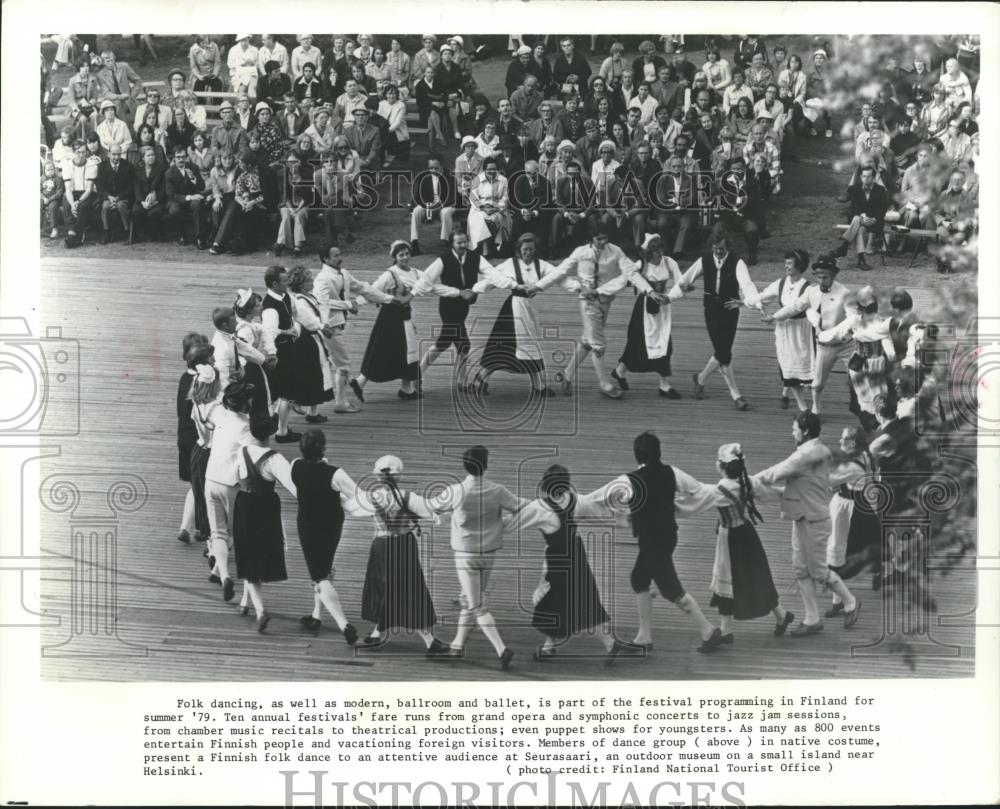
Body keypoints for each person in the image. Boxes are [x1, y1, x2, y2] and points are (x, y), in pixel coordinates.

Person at [598, 431, 726, 652]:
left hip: (650, 541)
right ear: (659, 452)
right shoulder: (672, 473)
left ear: (637, 456)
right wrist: (677, 505)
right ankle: (644, 635)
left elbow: (601, 498)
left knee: (670, 590)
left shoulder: (629, 481)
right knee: (639, 578)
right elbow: (697, 490)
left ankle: (708, 630)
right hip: (668, 536)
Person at [501, 464, 633, 662]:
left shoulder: (540, 507)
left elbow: (510, 524)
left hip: (557, 560)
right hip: (577, 555)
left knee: (551, 602)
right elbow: (600, 515)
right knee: (584, 600)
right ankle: (556, 646)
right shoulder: (576, 500)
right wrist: (625, 518)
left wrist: (487, 520)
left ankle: (597, 644)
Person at [753, 412, 862, 636]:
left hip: (814, 520)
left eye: (794, 429)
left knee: (819, 571)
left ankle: (850, 602)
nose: (792, 432)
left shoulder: (805, 455)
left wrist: (747, 481)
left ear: (805, 431)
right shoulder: (818, 449)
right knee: (801, 570)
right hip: (803, 516)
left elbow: (776, 473)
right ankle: (812, 619)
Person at [431, 446, 527, 667]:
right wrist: (503, 524)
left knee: (476, 605)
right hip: (489, 552)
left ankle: (501, 649)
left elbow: (432, 506)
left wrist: (445, 517)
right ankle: (456, 645)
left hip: (465, 554)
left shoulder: (456, 491)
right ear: (486, 465)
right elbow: (519, 507)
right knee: (470, 597)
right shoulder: (497, 490)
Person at [353, 455, 450, 656]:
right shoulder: (409, 498)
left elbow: (350, 506)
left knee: (386, 590)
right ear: (399, 476)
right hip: (404, 547)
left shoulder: (368, 499)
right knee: (410, 591)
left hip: (381, 547)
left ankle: (377, 634)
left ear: (377, 476)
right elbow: (433, 510)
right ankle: (429, 641)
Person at [698, 443, 795, 641]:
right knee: (757, 577)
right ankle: (780, 616)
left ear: (721, 466)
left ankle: (728, 629)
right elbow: (774, 493)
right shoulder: (748, 482)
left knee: (727, 579)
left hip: (729, 537)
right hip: (747, 534)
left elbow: (695, 499)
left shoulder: (719, 490)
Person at [554, 228, 656, 400]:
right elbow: (558, 272)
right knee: (598, 343)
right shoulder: (580, 252)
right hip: (587, 301)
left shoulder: (615, 251)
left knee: (588, 340)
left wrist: (649, 290)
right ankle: (604, 384)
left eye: (605, 237)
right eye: (598, 238)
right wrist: (576, 286)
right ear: (590, 239)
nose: (602, 241)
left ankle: (567, 374)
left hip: (606, 299)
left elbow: (631, 272)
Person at [470, 232, 572, 397]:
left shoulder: (542, 265)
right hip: (513, 310)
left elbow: (559, 277)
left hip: (529, 310)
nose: (528, 253)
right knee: (502, 348)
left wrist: (579, 288)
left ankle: (537, 386)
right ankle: (480, 380)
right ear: (519, 249)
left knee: (529, 346)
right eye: (525, 249)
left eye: (531, 249)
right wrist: (474, 290)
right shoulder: (510, 264)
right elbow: (492, 279)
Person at [291, 428, 360, 645]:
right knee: (324, 568)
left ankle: (343, 624)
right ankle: (316, 615)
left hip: (308, 525)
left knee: (319, 575)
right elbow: (358, 496)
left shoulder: (296, 466)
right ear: (323, 448)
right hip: (331, 525)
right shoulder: (335, 473)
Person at [682, 230, 763, 411]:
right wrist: (683, 289)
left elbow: (747, 285)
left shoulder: (737, 262)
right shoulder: (704, 260)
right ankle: (735, 395)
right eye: (715, 248)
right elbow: (684, 280)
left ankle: (702, 378)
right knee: (723, 352)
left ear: (728, 247)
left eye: (722, 249)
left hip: (730, 309)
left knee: (723, 351)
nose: (718, 252)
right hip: (710, 310)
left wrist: (754, 303)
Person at [313, 245, 398, 413]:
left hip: (336, 325)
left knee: (330, 364)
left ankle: (314, 404)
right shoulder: (322, 279)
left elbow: (364, 289)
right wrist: (347, 304)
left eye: (340, 254)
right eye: (335, 256)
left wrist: (388, 298)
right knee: (342, 365)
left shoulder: (344, 274)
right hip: (328, 327)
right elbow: (320, 302)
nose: (340, 258)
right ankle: (340, 403)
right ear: (326, 259)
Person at [232, 416, 295, 633]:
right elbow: (293, 486)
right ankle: (260, 611)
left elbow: (236, 475)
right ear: (269, 434)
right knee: (258, 555)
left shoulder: (242, 451)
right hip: (266, 506)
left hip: (244, 503)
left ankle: (245, 602)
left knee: (248, 552)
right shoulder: (274, 458)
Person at [412, 229, 494, 392]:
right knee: (456, 345)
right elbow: (426, 280)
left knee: (454, 346)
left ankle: (457, 381)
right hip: (449, 308)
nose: (462, 245)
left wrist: (477, 289)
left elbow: (492, 274)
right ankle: (419, 376)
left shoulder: (475, 257)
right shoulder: (443, 259)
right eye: (458, 242)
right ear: (452, 244)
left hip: (463, 308)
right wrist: (412, 294)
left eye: (464, 242)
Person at [612, 233, 685, 399]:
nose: (658, 254)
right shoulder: (641, 264)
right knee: (637, 343)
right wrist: (603, 291)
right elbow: (627, 277)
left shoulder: (669, 262)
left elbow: (681, 282)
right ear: (648, 253)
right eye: (654, 251)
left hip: (663, 306)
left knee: (666, 343)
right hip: (644, 308)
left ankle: (664, 385)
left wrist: (672, 295)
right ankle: (620, 371)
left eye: (660, 250)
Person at [203, 377, 256, 602]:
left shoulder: (221, 415)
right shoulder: (246, 428)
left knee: (218, 533)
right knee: (233, 531)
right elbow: (250, 457)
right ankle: (223, 574)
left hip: (211, 477)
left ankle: (222, 574)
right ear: (245, 404)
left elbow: (210, 406)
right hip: (231, 483)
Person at [818, 285, 897, 432]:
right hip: (876, 365)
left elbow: (836, 333)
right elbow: (891, 354)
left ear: (860, 308)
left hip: (858, 363)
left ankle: (870, 423)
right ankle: (877, 425)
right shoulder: (881, 324)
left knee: (863, 397)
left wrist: (821, 336)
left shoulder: (855, 320)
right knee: (878, 396)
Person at [354, 241, 423, 400]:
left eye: (407, 254)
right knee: (383, 350)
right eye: (401, 255)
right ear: (395, 257)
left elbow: (428, 281)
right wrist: (356, 303)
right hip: (390, 317)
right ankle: (360, 382)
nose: (405, 257)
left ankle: (407, 389)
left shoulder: (415, 272)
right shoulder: (390, 274)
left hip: (405, 316)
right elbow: (372, 291)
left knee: (407, 352)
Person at [827, 426, 883, 608]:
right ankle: (877, 569)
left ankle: (837, 600)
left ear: (852, 443)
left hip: (847, 508)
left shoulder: (851, 466)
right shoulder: (863, 456)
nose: (840, 442)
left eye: (844, 439)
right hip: (860, 504)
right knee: (867, 540)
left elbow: (828, 480)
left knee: (838, 547)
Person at [759, 250, 816, 412]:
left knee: (801, 363)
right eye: (786, 262)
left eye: (789, 263)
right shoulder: (781, 283)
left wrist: (774, 316)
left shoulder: (808, 287)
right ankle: (803, 406)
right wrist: (745, 301)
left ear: (799, 265)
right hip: (784, 331)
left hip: (801, 330)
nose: (785, 266)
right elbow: (763, 296)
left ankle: (786, 391)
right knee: (788, 363)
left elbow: (795, 307)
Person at [286, 266, 335, 422]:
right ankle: (303, 405)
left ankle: (312, 411)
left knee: (317, 374)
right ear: (301, 284)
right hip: (306, 341)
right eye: (309, 280)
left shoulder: (310, 296)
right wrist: (322, 327)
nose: (312, 281)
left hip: (314, 339)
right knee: (312, 374)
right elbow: (308, 320)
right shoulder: (300, 301)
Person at [260, 266, 301, 444]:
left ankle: (281, 428)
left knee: (288, 391)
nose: (288, 283)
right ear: (275, 284)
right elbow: (268, 332)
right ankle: (282, 432)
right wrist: (287, 333)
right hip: (281, 351)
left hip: (289, 349)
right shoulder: (270, 307)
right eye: (284, 281)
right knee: (286, 392)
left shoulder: (284, 296)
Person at [176, 334, 210, 543]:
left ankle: (185, 527)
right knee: (204, 484)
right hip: (198, 439)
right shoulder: (201, 381)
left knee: (193, 484)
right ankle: (202, 528)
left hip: (183, 435)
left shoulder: (184, 378)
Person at [830, 166, 890, 271]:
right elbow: (854, 208)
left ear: (874, 178)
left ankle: (844, 246)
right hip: (860, 219)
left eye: (869, 176)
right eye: (863, 176)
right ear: (860, 177)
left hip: (875, 222)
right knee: (859, 224)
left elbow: (883, 209)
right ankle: (861, 260)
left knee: (857, 221)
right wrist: (862, 215)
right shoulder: (854, 189)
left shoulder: (880, 190)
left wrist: (874, 219)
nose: (866, 179)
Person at [409, 154, 457, 255]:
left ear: (442, 166)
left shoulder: (450, 177)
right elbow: (418, 195)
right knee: (416, 211)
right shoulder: (425, 178)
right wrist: (415, 206)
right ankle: (414, 242)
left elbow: (452, 197)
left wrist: (437, 206)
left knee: (445, 212)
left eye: (436, 167)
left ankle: (445, 242)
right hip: (430, 206)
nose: (433, 170)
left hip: (447, 205)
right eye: (431, 168)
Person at [164, 145, 208, 248]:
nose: (181, 160)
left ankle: (199, 238)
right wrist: (188, 197)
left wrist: (193, 178)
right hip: (177, 200)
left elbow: (202, 186)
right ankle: (182, 235)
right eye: (178, 157)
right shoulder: (169, 173)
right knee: (174, 210)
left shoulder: (193, 167)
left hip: (193, 199)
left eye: (183, 157)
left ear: (186, 157)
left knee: (197, 205)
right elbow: (171, 194)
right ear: (174, 158)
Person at [466, 157, 510, 257]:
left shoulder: (503, 180)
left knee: (494, 219)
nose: (492, 171)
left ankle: (490, 247)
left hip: (497, 208)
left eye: (494, 169)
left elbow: (505, 198)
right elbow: (473, 197)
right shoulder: (478, 179)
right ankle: (484, 247)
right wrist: (483, 208)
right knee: (481, 218)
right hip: (480, 208)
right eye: (489, 169)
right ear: (484, 169)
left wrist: (496, 208)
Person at [61, 140, 100, 248]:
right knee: (66, 202)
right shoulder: (67, 165)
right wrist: (73, 203)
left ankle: (78, 234)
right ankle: (71, 232)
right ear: (73, 152)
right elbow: (68, 189)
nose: (82, 155)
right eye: (78, 152)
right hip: (72, 193)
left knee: (83, 206)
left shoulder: (92, 165)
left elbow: (89, 189)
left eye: (84, 152)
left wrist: (77, 202)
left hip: (87, 193)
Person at [97, 143, 134, 243]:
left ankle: (127, 232)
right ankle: (106, 232)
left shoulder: (128, 166)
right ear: (108, 154)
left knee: (120, 205)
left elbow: (130, 187)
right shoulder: (102, 167)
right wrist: (108, 197)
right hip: (108, 197)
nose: (116, 157)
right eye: (114, 154)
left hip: (123, 197)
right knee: (105, 206)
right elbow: (100, 187)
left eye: (119, 154)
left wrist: (118, 197)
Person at [130, 145, 166, 242]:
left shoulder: (161, 170)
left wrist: (155, 201)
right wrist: (142, 202)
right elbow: (136, 188)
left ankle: (153, 234)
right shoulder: (138, 170)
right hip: (142, 199)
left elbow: (163, 188)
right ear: (143, 158)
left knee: (154, 213)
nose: (151, 157)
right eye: (148, 155)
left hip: (157, 200)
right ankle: (141, 233)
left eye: (153, 155)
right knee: (136, 211)